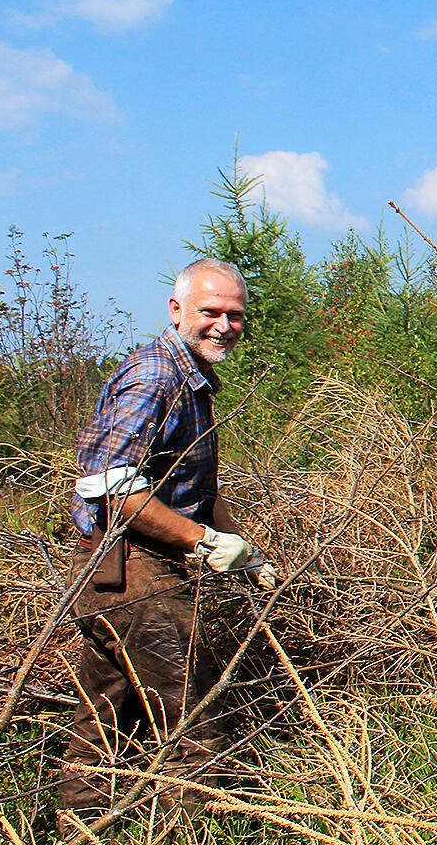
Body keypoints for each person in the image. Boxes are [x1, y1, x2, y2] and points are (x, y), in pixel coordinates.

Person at [59, 258, 276, 827]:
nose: (224, 325)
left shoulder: (190, 379)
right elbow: (109, 489)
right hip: (134, 573)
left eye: (235, 314)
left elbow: (193, 484)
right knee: (195, 720)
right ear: (177, 310)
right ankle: (201, 827)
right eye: (211, 312)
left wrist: (242, 549)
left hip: (114, 574)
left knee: (106, 720)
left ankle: (77, 827)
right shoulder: (157, 377)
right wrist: (205, 542)